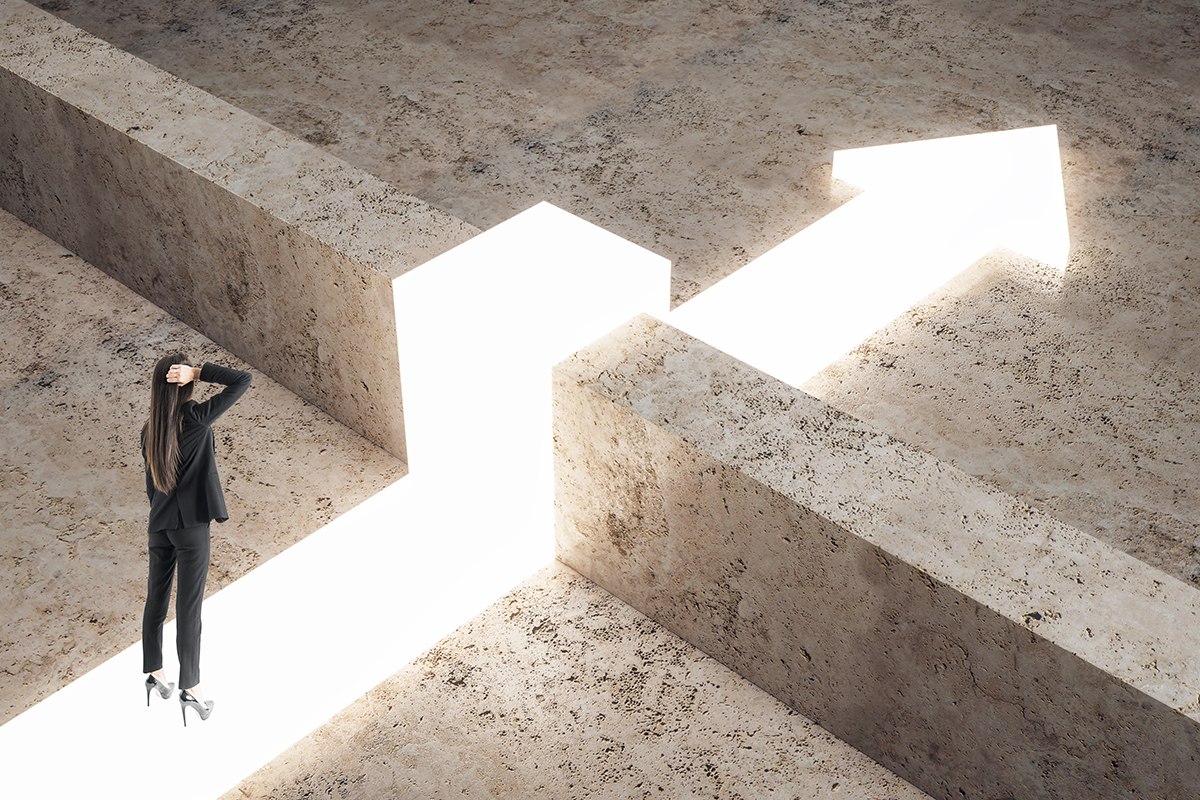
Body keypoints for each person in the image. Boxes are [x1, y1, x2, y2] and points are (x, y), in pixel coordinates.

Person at [140, 354, 251, 726]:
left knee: (156, 599)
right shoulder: (196, 417)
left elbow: (150, 488)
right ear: (185, 383)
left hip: (160, 525)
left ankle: (154, 674)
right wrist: (200, 371)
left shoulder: (149, 429)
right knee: (188, 609)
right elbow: (242, 380)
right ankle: (192, 688)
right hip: (190, 528)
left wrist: (162, 516)